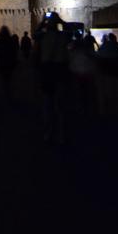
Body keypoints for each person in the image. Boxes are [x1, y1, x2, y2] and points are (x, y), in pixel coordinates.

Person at [37, 13, 71, 142]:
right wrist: (61, 21)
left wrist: (43, 22)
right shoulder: (63, 36)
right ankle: (61, 133)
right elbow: (71, 31)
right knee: (59, 105)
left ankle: (48, 132)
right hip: (59, 71)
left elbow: (36, 34)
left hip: (47, 71)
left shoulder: (43, 36)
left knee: (47, 104)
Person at [96, 32, 118, 118]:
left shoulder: (105, 46)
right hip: (117, 72)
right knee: (117, 92)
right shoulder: (117, 46)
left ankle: (104, 111)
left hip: (106, 71)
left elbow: (99, 55)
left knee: (106, 91)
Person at [0, 26, 19, 102]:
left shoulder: (0, 42)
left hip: (2, 63)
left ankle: (6, 93)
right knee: (9, 79)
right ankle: (8, 93)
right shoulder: (11, 41)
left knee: (4, 79)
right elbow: (14, 52)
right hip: (9, 63)